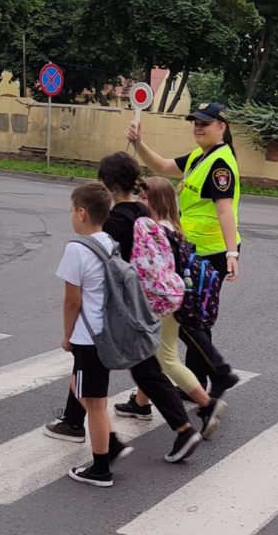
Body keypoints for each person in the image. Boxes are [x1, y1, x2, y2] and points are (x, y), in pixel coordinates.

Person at [45, 152, 202, 464]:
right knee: (142, 369)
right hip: (140, 301)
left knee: (104, 371)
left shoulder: (114, 222)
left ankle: (105, 437)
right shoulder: (143, 210)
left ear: (106, 183)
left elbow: (96, 271)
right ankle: (79, 423)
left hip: (115, 310)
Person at [119, 101, 240, 409]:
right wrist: (138, 143)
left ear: (221, 126)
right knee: (187, 317)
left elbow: (224, 210)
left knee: (185, 317)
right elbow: (162, 166)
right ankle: (198, 381)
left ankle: (215, 374)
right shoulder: (201, 156)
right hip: (191, 248)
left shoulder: (220, 164)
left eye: (205, 123)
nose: (198, 128)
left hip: (210, 251)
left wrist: (231, 252)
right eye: (195, 123)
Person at [135, 175, 227, 437]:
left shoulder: (158, 231)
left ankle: (208, 405)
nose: (139, 202)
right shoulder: (172, 227)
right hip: (173, 300)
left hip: (163, 303)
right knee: (150, 356)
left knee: (167, 359)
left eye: (144, 198)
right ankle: (140, 403)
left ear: (156, 201)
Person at [55, 181, 132, 488]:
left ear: (82, 213)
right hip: (107, 332)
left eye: (72, 210)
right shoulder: (110, 243)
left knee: (96, 404)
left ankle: (101, 468)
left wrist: (67, 335)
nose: (71, 216)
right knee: (80, 385)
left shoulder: (76, 249)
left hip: (89, 338)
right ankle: (111, 444)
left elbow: (72, 301)